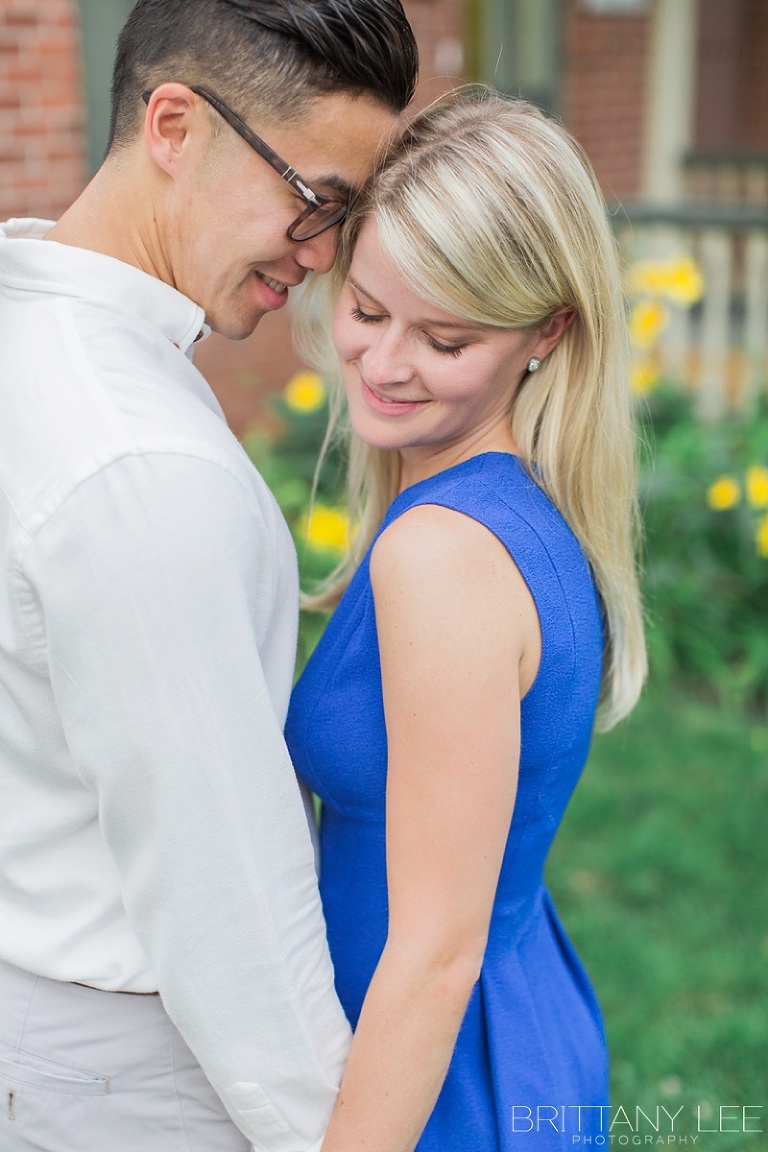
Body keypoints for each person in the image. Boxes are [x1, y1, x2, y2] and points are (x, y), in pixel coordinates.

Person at [0, 2, 417, 1150]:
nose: (325, 251)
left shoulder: (33, 327)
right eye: (317, 198)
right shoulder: (137, 466)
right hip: (142, 1081)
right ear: (175, 126)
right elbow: (226, 904)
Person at [286, 90, 648, 1152]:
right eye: (367, 309)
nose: (386, 364)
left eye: (445, 338)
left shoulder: (441, 556)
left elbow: (437, 951)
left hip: (436, 1083)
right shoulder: (523, 511)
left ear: (548, 333)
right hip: (516, 1012)